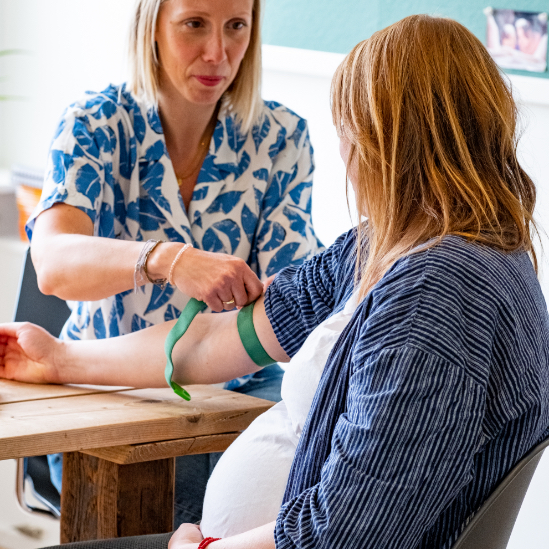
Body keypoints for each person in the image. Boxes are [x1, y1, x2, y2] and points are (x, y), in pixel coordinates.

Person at [2, 14, 549, 549]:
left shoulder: (437, 295)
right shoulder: (383, 249)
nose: (345, 154)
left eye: (348, 132)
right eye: (194, 24)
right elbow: (222, 337)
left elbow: (349, 530)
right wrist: (60, 360)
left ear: (383, 140)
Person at [26, 0, 323, 524]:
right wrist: (167, 259)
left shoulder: (281, 136)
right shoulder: (95, 124)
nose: (218, 53)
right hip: (109, 388)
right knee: (207, 502)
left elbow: (294, 291)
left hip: (235, 391)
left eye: (236, 28)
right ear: (152, 28)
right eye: (194, 25)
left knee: (322, 467)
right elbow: (52, 264)